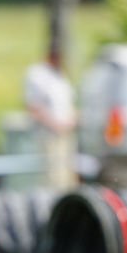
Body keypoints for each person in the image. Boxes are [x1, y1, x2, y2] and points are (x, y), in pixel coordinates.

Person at [24, 48, 77, 189]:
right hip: (47, 133)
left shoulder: (60, 76)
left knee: (66, 173)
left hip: (65, 132)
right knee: (51, 174)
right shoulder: (38, 75)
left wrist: (71, 120)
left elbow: (67, 103)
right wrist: (54, 124)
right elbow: (34, 106)